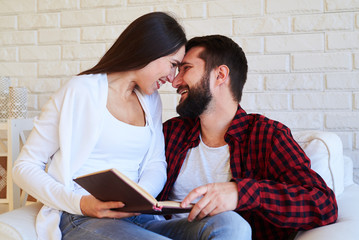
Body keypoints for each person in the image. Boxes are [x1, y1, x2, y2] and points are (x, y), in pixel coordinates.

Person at [12, 12, 186, 240]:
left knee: (226, 224)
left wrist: (139, 199)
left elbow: (156, 163)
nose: (173, 78)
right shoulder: (80, 90)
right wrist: (81, 203)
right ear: (150, 49)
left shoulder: (150, 100)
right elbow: (24, 166)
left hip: (139, 217)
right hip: (82, 217)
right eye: (173, 65)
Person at [154, 35, 338, 240]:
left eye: (186, 68)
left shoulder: (267, 136)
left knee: (231, 225)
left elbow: (323, 204)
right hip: (160, 233)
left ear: (220, 75)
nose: (175, 81)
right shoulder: (171, 132)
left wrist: (241, 193)